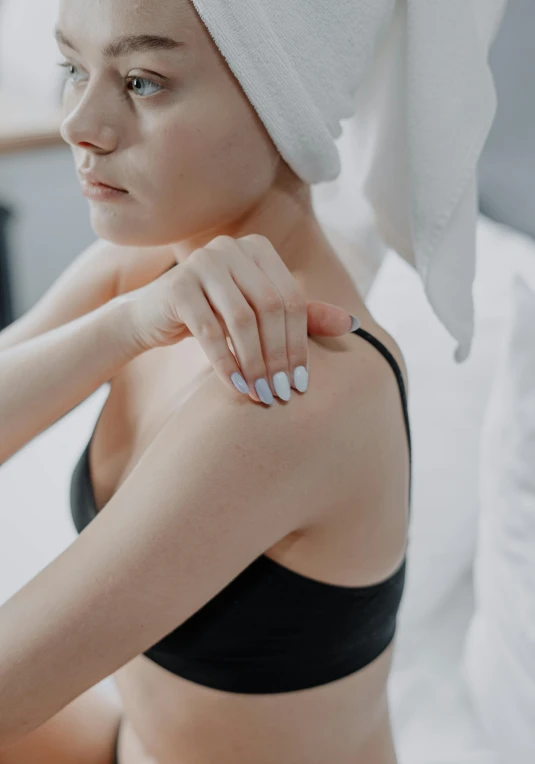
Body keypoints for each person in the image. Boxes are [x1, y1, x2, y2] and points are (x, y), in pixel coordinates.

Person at [0, 1, 412, 762]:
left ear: (279, 102)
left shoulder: (290, 383)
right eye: (74, 69)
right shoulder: (158, 259)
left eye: (143, 81)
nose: (78, 124)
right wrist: (123, 326)